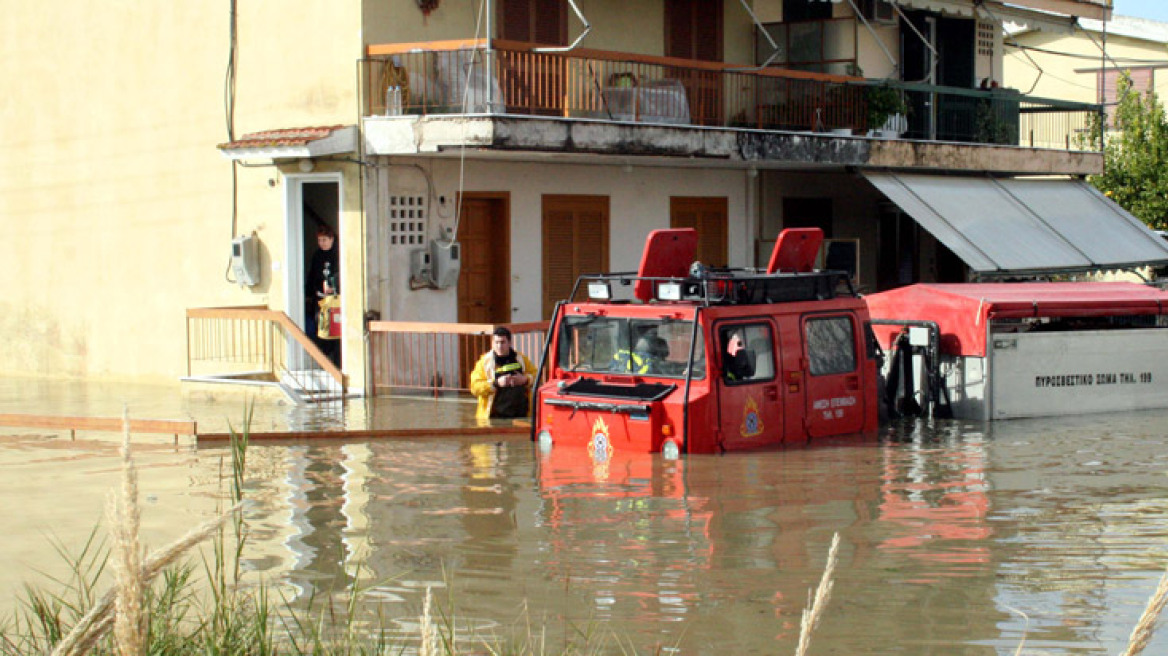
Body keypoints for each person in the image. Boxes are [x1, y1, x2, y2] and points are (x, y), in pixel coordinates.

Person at [470, 326, 537, 420]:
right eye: (496, 342)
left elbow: (537, 376)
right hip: (495, 416)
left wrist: (525, 379)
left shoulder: (521, 359)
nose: (499, 346)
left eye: (502, 342)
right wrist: (496, 383)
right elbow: (474, 387)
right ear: (492, 343)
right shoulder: (484, 363)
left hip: (521, 414)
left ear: (509, 343)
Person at [306, 224, 341, 366]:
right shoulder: (317, 255)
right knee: (321, 330)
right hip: (320, 301)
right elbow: (312, 275)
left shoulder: (338, 254)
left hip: (336, 302)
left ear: (332, 239)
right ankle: (324, 363)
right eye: (320, 240)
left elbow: (341, 273)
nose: (322, 243)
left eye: (324, 240)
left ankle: (337, 364)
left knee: (336, 331)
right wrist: (310, 292)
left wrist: (333, 284)